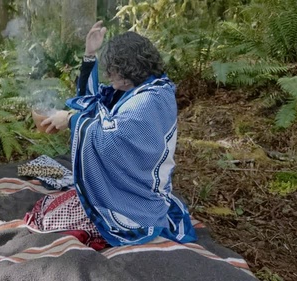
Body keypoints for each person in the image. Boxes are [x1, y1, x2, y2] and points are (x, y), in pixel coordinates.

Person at [28, 21, 197, 247]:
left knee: (50, 220)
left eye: (113, 71)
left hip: (135, 200)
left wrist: (70, 120)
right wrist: (90, 53)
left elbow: (111, 140)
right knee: (50, 208)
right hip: (125, 185)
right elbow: (95, 107)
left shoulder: (148, 100)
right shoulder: (146, 87)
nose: (109, 76)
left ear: (128, 70)